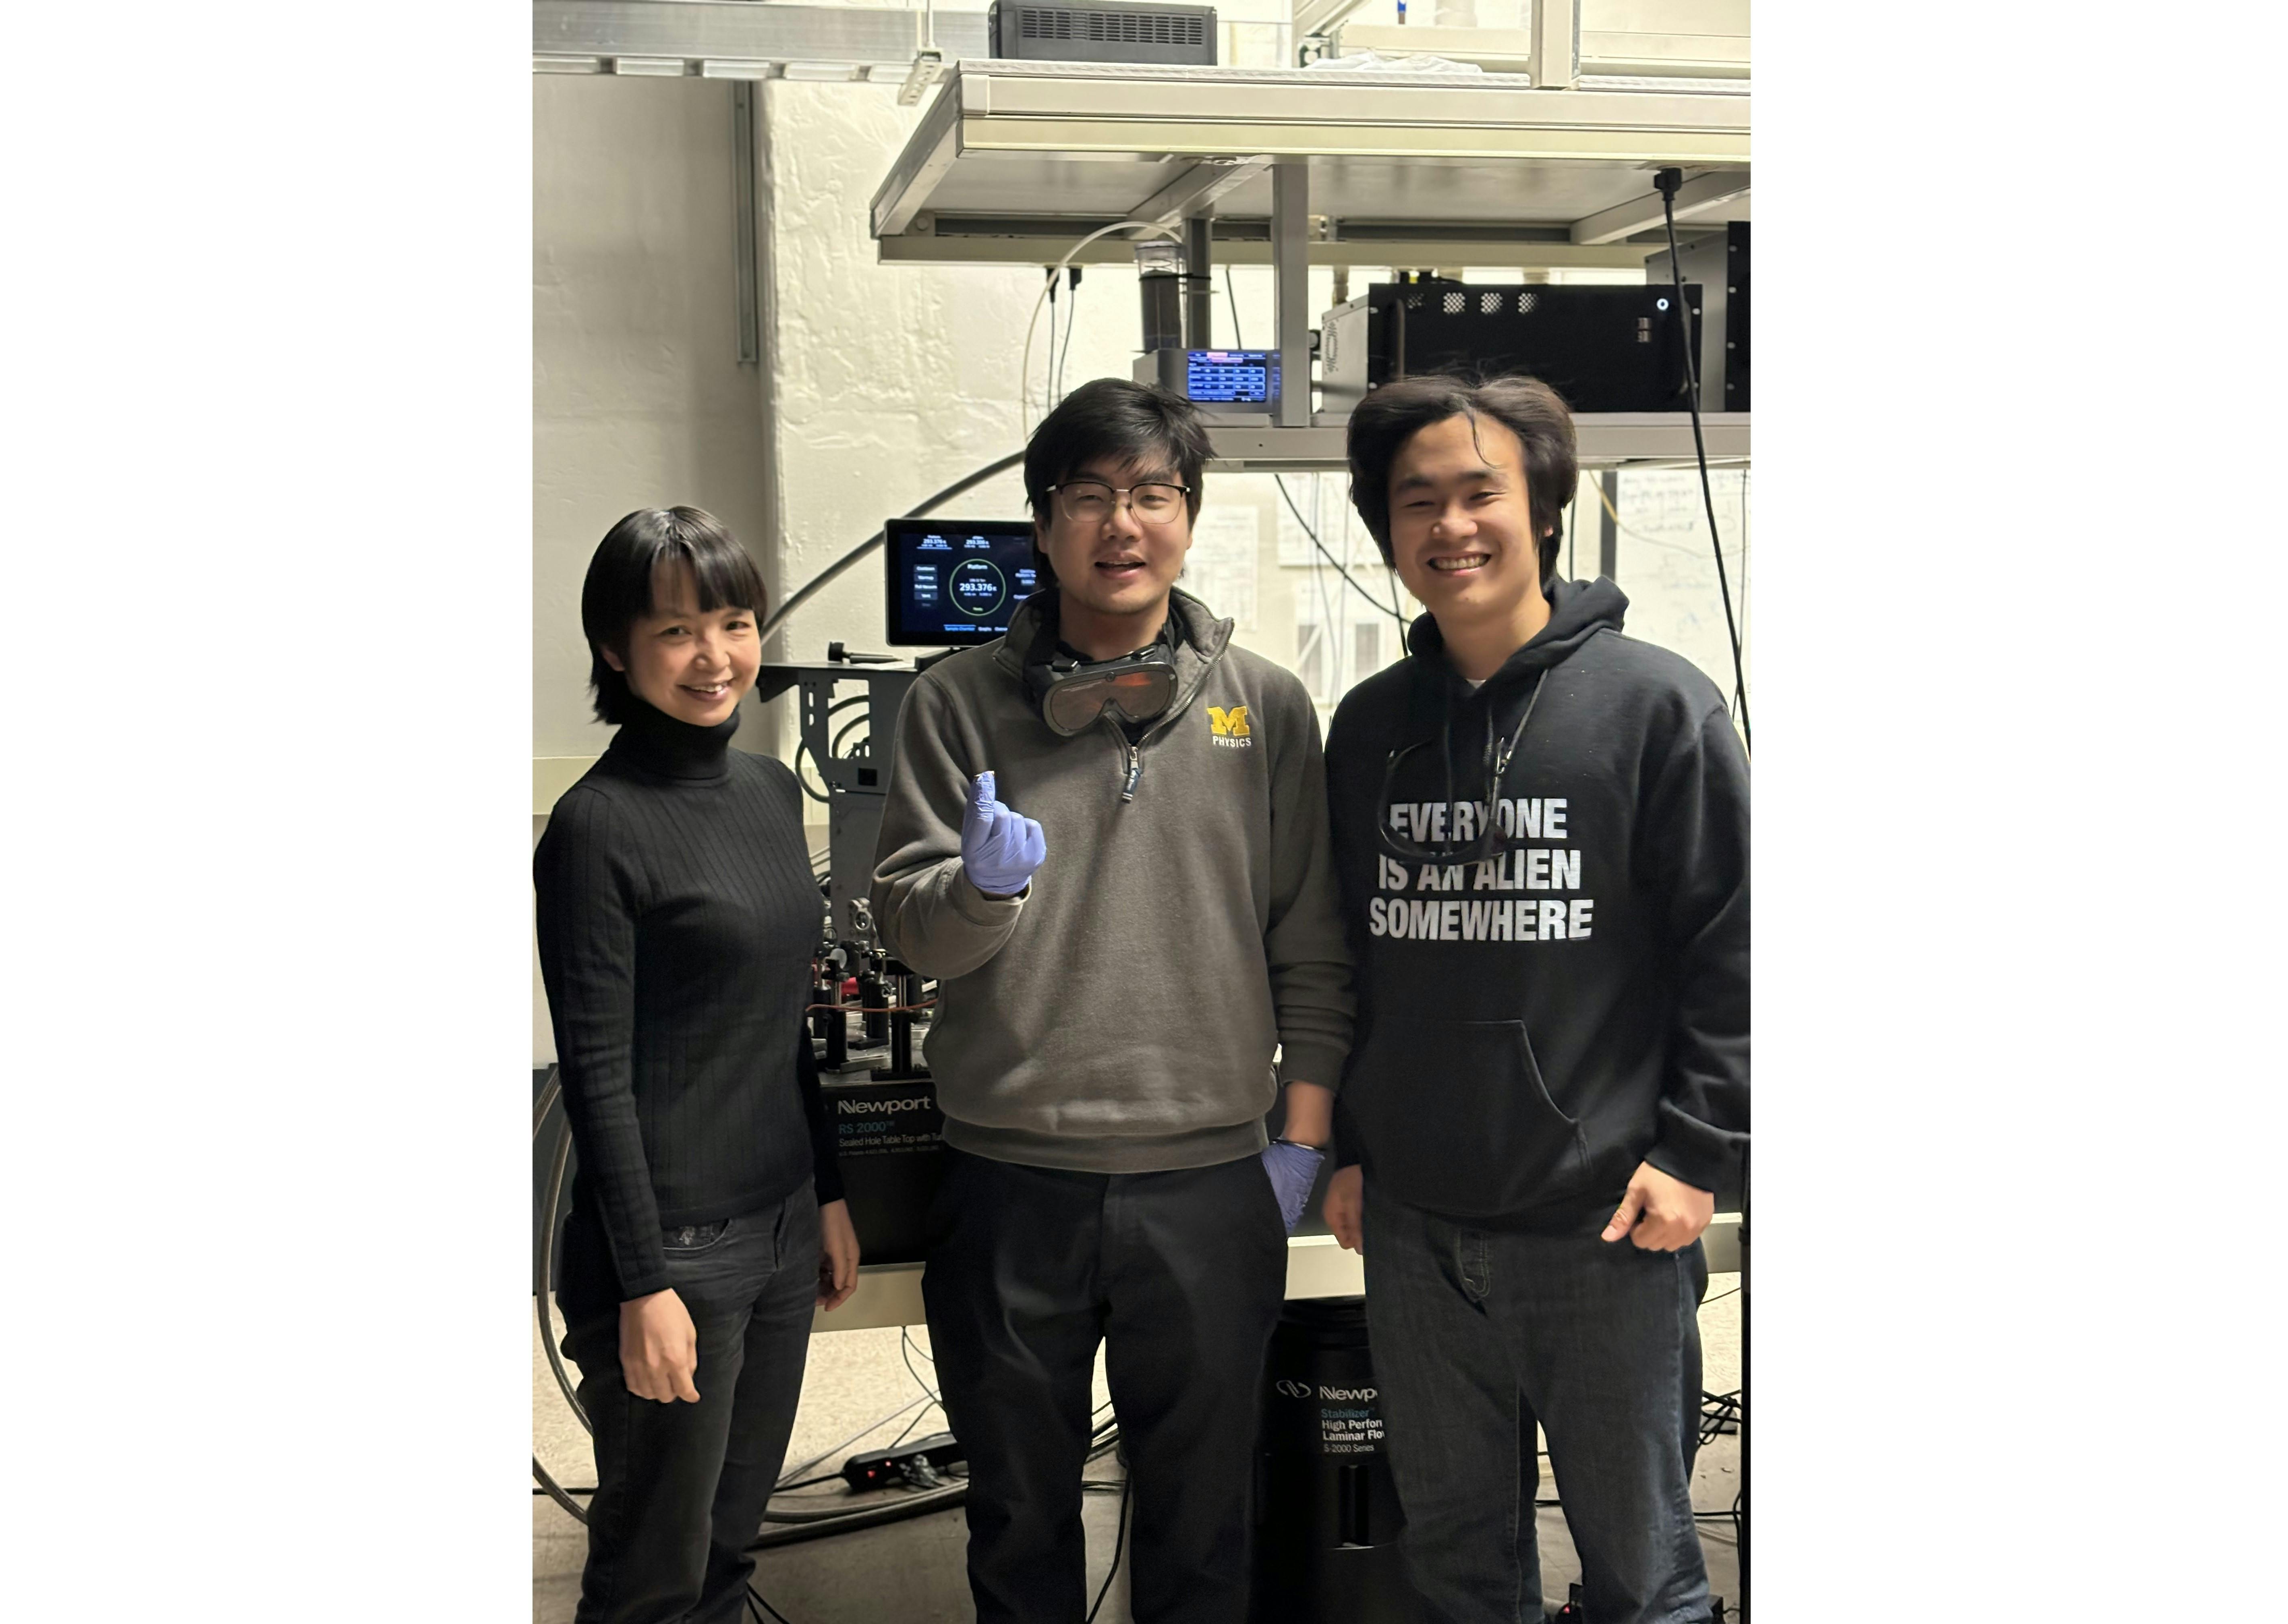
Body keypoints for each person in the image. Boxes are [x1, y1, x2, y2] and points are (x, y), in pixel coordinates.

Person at [868, 378, 1353, 1624]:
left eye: (1151, 494)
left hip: (1210, 1184)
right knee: (1018, 1518)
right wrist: (980, 891)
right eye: (1088, 496)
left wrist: (1298, 1146)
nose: (1121, 524)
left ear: (1188, 516)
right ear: (1042, 525)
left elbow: (1312, 944)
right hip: (1008, 1180)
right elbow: (912, 936)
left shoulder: (1267, 705)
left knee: (1204, 1521)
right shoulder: (955, 703)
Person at [1318, 376, 1748, 1624]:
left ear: (1545, 508)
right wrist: (1352, 1148)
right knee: (1457, 1568)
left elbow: (1735, 945)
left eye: (1480, 493)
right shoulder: (1372, 728)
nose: (1451, 526)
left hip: (1604, 1227)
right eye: (1417, 503)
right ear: (1386, 529)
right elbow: (1353, 954)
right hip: (1414, 1227)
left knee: (1643, 1575)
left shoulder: (1657, 706)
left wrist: (1697, 1153)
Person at [535, 506, 862, 1624]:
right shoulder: (596, 828)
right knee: (652, 1575)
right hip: (676, 1250)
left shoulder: (771, 792)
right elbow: (596, 1077)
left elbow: (786, 1019)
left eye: (734, 623)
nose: (714, 656)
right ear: (615, 649)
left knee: (728, 1547)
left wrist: (825, 1193)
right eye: (676, 632)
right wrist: (644, 1285)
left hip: (780, 1228)